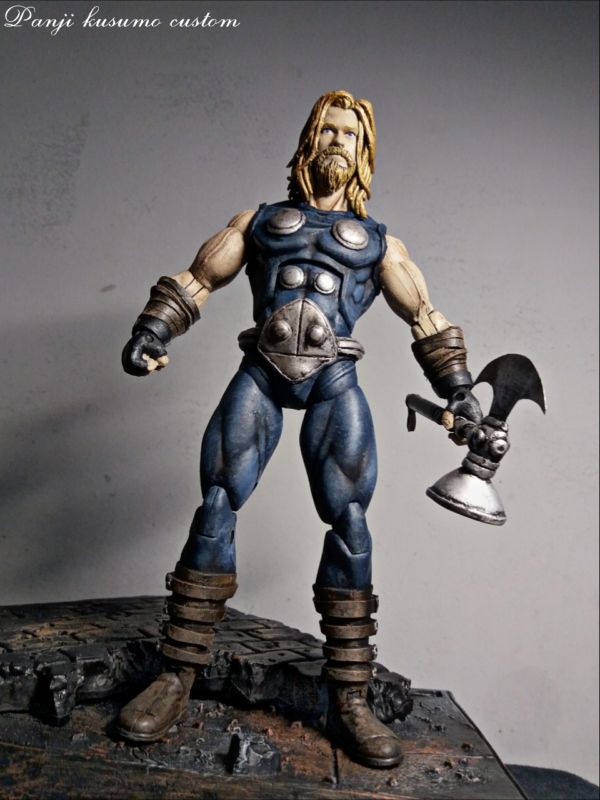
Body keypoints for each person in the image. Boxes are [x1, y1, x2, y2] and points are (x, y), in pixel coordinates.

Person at [118, 90, 482, 769]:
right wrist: (152, 329)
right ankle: (175, 676)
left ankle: (351, 699)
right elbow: (199, 278)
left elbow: (424, 316)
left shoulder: (380, 245)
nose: (338, 141)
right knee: (217, 502)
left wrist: (458, 390)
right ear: (309, 140)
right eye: (329, 130)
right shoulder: (258, 222)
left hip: (333, 379)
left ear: (364, 154)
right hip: (261, 373)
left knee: (351, 521)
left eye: (350, 134)